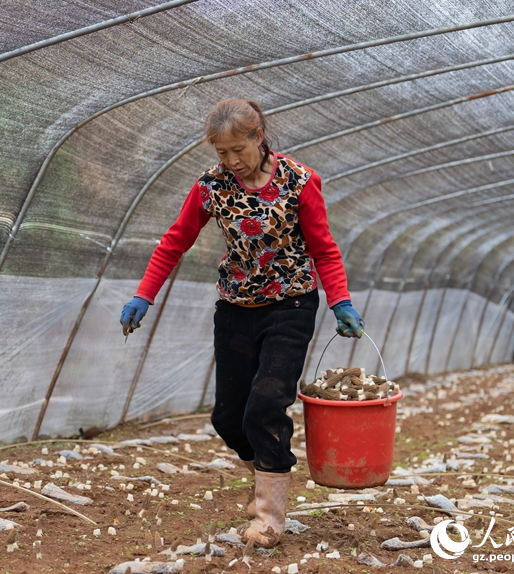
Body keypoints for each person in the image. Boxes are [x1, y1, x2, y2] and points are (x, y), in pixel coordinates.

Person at [119, 99, 364, 548]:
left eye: (238, 150)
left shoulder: (299, 182)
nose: (231, 161)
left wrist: (341, 301)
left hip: (291, 304)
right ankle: (266, 476)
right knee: (230, 418)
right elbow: (176, 241)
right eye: (221, 153)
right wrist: (144, 293)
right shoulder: (211, 186)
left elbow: (324, 249)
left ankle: (271, 516)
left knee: (267, 403)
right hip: (235, 307)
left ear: (259, 137)